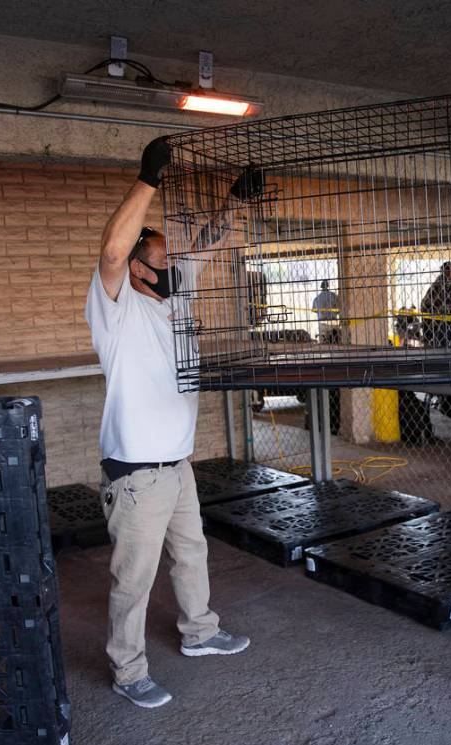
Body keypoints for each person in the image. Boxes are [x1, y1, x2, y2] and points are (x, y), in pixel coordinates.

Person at [85, 137, 253, 709]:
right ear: (137, 267)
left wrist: (234, 202)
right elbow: (111, 251)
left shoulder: (172, 298)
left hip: (177, 466)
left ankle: (200, 633)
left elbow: (206, 243)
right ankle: (128, 669)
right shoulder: (115, 308)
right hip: (136, 473)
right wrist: (147, 180)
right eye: (158, 258)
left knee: (191, 551)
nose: (172, 264)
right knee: (133, 578)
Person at [420, 261, 451, 347]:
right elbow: (439, 303)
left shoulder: (447, 284)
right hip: (433, 317)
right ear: (448, 271)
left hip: (434, 317)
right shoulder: (441, 284)